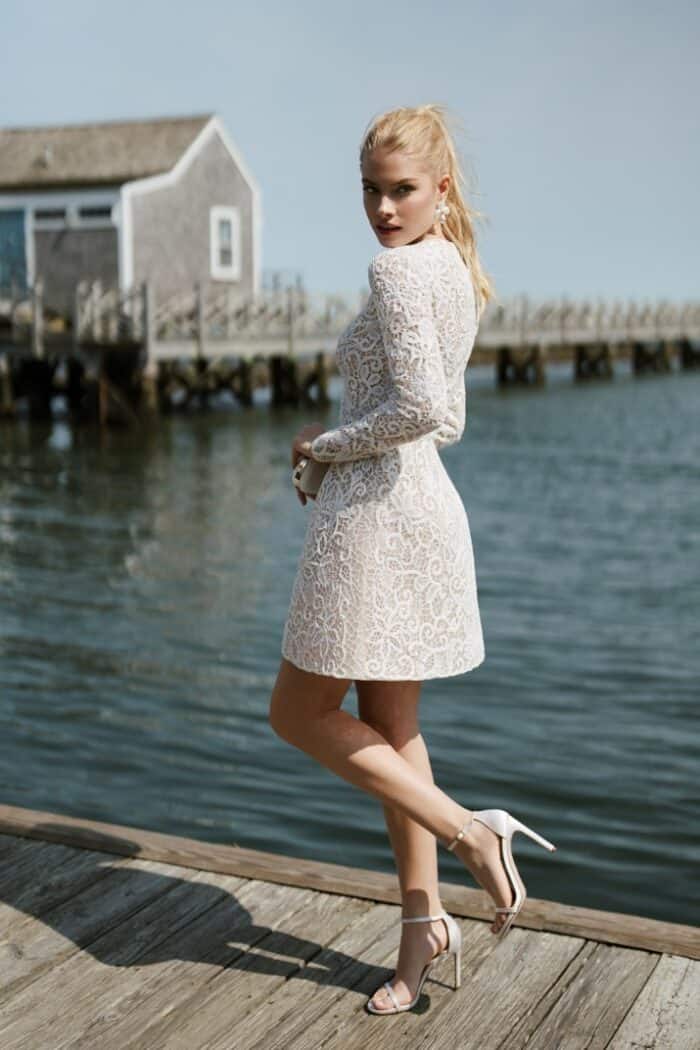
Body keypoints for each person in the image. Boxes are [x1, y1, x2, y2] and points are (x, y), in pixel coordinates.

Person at [269, 103, 556, 1015]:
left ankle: (472, 832)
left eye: (401, 189)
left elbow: (420, 412)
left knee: (298, 712)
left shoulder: (397, 273)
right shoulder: (454, 272)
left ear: (440, 188)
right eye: (371, 190)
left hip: (376, 521)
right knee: (391, 733)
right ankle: (419, 941)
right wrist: (348, 444)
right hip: (421, 509)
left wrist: (324, 449)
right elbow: (452, 420)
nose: (383, 208)